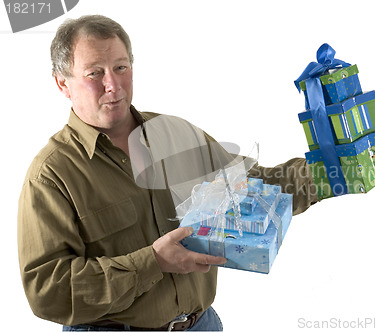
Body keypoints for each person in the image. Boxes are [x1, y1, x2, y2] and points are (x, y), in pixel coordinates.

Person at [18, 15, 317, 331]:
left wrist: (334, 173)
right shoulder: (51, 176)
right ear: (62, 83)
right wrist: (152, 262)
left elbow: (257, 185)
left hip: (202, 324)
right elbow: (48, 292)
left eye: (121, 67)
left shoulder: (175, 134)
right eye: (95, 73)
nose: (113, 84)